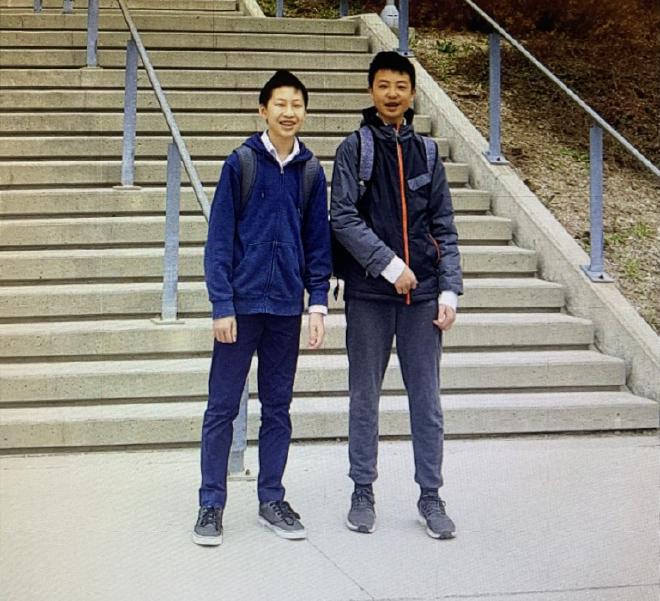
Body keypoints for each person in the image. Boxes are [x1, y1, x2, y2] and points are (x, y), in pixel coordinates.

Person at [193, 70, 332, 546]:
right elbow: (218, 241)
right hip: (241, 307)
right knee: (222, 407)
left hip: (284, 311)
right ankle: (211, 504)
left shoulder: (311, 172)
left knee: (278, 407)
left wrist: (317, 304)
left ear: (305, 112)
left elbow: (318, 244)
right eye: (280, 103)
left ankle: (271, 497)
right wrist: (221, 304)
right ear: (263, 110)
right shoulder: (241, 163)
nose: (289, 112)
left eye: (297, 104)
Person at [330, 51, 463, 539]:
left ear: (412, 93)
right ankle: (362, 489)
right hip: (369, 295)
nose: (392, 94)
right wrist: (389, 266)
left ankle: (430, 494)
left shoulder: (428, 152)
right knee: (365, 397)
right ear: (371, 91)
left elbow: (444, 226)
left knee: (426, 401)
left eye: (400, 86)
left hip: (424, 297)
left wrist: (450, 288)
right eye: (383, 85)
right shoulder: (355, 149)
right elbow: (342, 218)